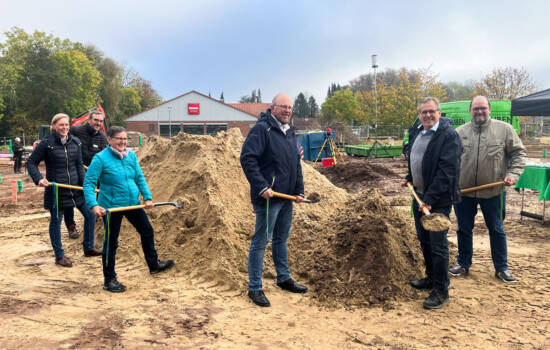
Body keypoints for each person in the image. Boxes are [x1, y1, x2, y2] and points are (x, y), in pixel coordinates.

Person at [84, 126, 174, 293]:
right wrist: (94, 205)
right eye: (119, 138)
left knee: (147, 231)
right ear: (109, 139)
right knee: (111, 243)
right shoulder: (100, 159)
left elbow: (139, 177)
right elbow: (88, 183)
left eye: (125, 139)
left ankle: (153, 265)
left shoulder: (131, 156)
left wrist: (147, 197)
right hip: (111, 207)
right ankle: (109, 279)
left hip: (132, 203)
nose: (123, 142)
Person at [240, 93, 308, 307]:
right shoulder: (262, 129)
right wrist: (261, 186)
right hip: (269, 198)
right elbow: (248, 158)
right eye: (283, 107)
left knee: (281, 239)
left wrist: (299, 190)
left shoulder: (291, 132)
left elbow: (296, 164)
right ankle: (255, 287)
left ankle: (283, 278)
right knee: (261, 242)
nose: (287, 111)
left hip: (287, 198)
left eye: (290, 107)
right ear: (273, 108)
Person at [449, 96, 526, 283]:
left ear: (489, 109)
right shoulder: (459, 133)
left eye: (483, 108)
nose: (479, 112)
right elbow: (449, 161)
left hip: (494, 192)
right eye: (476, 109)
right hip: (464, 192)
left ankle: (501, 268)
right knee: (464, 229)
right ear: (470, 111)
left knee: (496, 229)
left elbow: (518, 153)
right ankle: (463, 263)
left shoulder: (504, 130)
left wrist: (513, 175)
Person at [402, 97, 462, 309]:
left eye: (431, 112)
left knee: (437, 245)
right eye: (424, 112)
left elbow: (447, 172)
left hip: (439, 200)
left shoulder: (448, 136)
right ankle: (430, 277)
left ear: (439, 112)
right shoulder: (417, 131)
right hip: (419, 196)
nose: (428, 115)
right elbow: (415, 157)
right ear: (419, 114)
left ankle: (441, 290)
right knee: (424, 240)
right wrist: (410, 176)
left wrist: (429, 200)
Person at [27, 113, 101, 267]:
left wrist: (87, 184)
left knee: (90, 215)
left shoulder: (75, 142)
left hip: (76, 190)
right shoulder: (46, 143)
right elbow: (31, 163)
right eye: (61, 125)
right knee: (56, 222)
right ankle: (59, 256)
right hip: (57, 191)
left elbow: (79, 166)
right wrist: (39, 178)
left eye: (67, 125)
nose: (64, 128)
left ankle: (88, 248)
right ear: (54, 126)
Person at [64, 110, 108, 239]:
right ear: (89, 120)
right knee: (70, 198)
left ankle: (98, 216)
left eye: (101, 121)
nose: (98, 123)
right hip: (77, 170)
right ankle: (71, 226)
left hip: (93, 171)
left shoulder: (102, 137)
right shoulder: (76, 131)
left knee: (103, 189)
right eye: (96, 120)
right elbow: (65, 144)